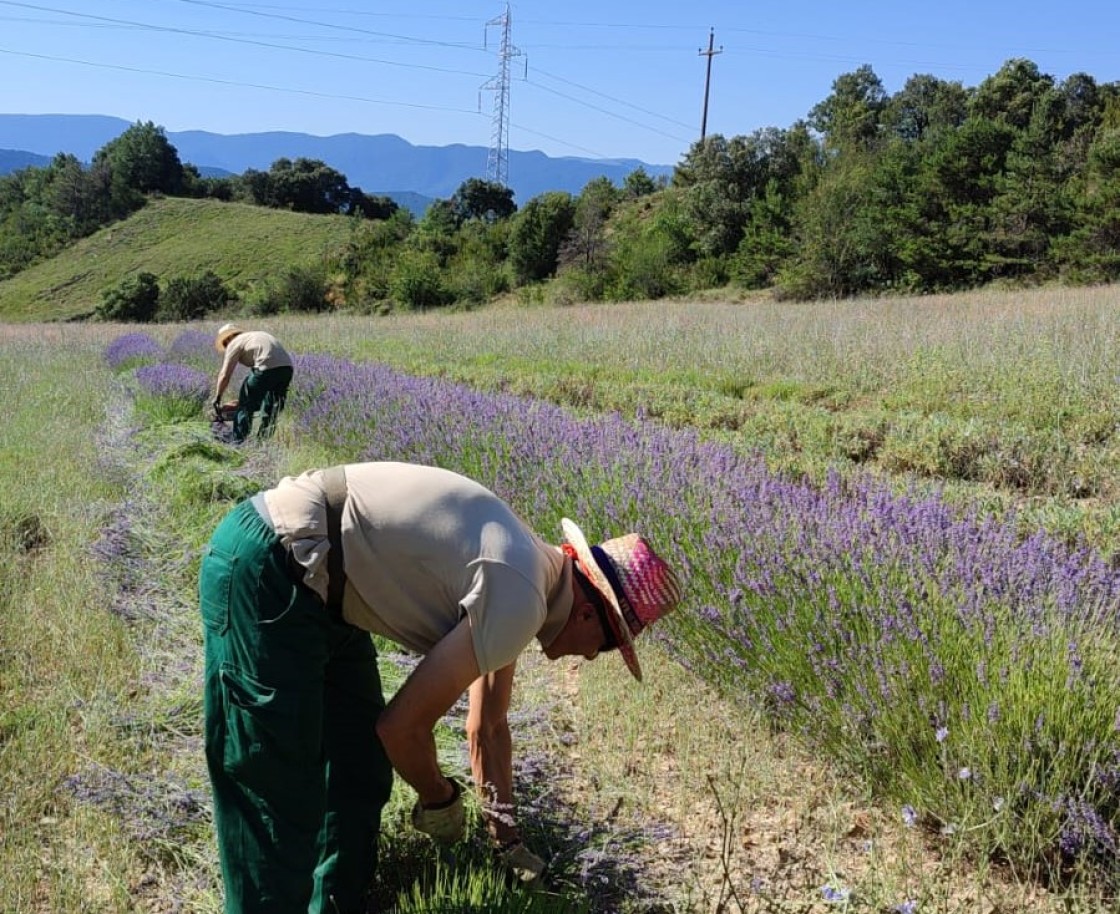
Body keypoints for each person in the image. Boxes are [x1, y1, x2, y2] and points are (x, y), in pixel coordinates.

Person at [198, 461, 681, 914]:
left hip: (326, 591)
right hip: (274, 564)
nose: (594, 656)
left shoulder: (531, 577)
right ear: (586, 611)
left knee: (360, 768)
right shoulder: (521, 596)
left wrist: (507, 843)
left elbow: (488, 727)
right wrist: (439, 797)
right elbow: (401, 729)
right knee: (278, 790)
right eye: (608, 643)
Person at [212, 323, 294, 442]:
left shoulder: (234, 343)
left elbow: (224, 375)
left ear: (228, 338)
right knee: (271, 408)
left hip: (265, 367)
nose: (226, 346)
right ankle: (263, 442)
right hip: (286, 369)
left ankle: (238, 442)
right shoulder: (254, 336)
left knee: (245, 406)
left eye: (225, 343)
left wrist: (218, 397)